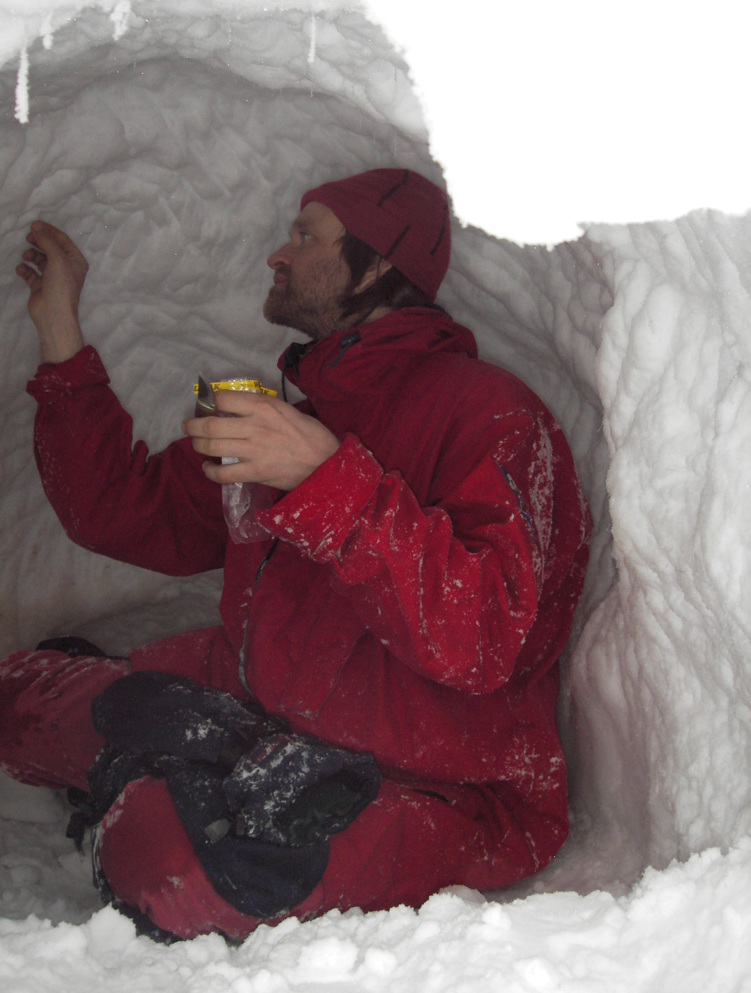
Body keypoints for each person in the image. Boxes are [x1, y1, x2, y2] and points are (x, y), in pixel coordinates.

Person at [3, 168, 591, 941]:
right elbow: (121, 510)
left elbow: (482, 639)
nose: (277, 255)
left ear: (379, 262)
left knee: (174, 867)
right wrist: (60, 336)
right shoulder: (293, 415)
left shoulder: (490, 413)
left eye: (305, 236)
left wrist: (324, 479)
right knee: (15, 704)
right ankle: (167, 765)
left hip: (432, 779)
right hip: (252, 702)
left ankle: (151, 788)